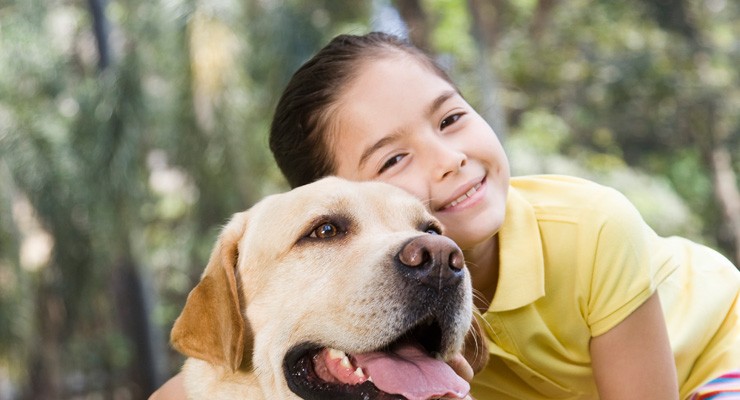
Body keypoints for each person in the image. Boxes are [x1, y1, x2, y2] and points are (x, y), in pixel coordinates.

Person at [151, 32, 740, 399]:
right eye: (329, 228)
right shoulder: (388, 322)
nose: (450, 160)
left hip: (717, 357)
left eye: (451, 119)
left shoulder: (591, 224)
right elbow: (201, 381)